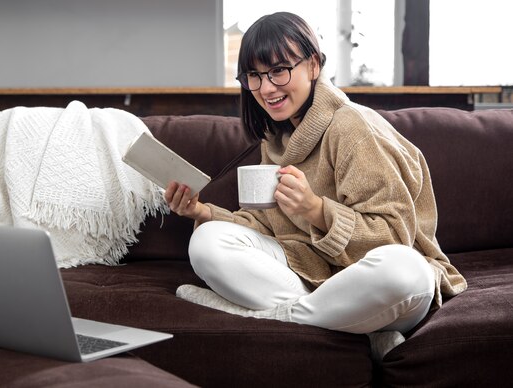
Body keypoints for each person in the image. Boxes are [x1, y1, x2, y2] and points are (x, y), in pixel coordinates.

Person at [164, 12, 466, 358]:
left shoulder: (351, 127)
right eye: (254, 76)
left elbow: (394, 238)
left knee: (407, 271)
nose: (265, 88)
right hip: (310, 272)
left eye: (278, 70)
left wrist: (316, 210)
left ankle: (263, 316)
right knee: (206, 242)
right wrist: (201, 211)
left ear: (313, 65)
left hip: (373, 285)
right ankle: (359, 332)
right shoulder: (277, 139)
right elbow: (269, 226)